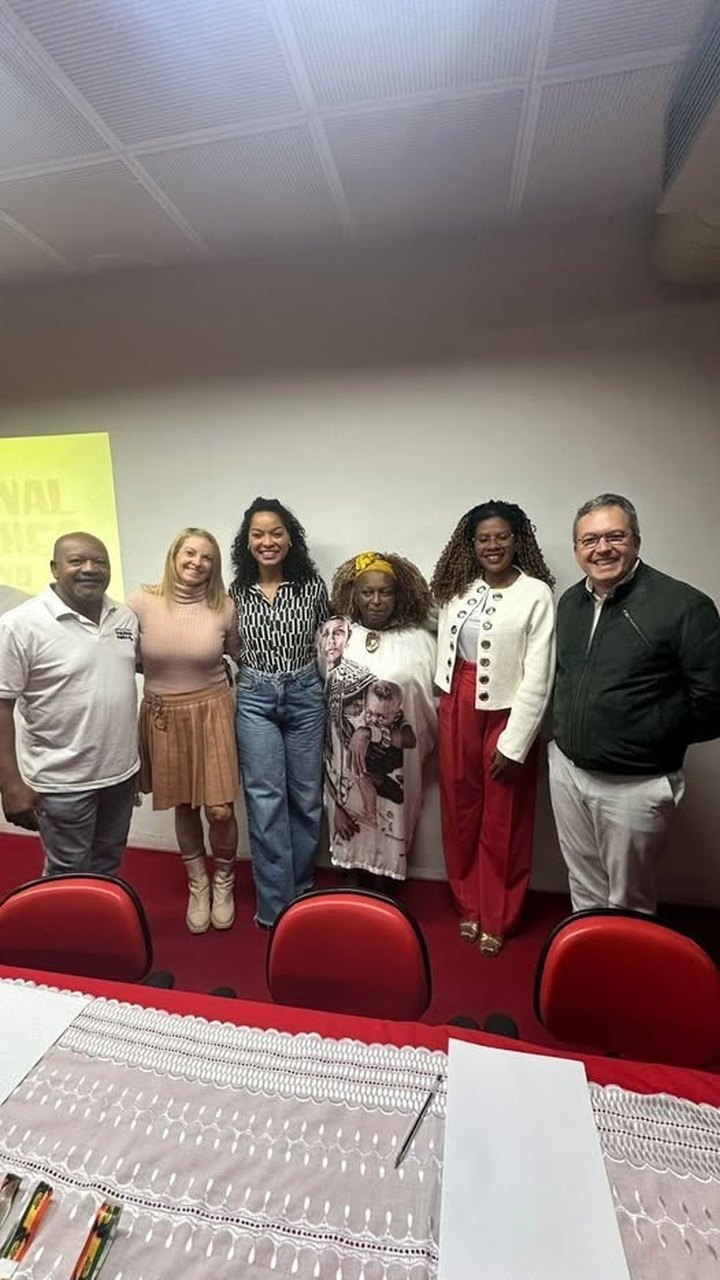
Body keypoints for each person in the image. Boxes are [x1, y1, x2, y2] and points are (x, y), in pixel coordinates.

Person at [550, 492, 720, 915]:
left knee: (629, 898)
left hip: (634, 783)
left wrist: (645, 739)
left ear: (637, 541)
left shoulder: (684, 606)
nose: (602, 548)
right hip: (568, 770)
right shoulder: (570, 602)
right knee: (583, 884)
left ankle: (628, 958)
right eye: (590, 540)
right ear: (577, 549)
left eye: (615, 536)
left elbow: (713, 702)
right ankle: (587, 953)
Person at [431, 501, 556, 955]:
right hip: (457, 703)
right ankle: (468, 903)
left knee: (505, 816)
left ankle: (498, 913)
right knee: (460, 809)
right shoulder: (457, 588)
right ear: (472, 545)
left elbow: (539, 674)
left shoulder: (535, 594)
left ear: (517, 540)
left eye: (502, 536)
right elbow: (436, 631)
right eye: (484, 538)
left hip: (508, 710)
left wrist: (516, 741)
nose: (493, 545)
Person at [0, 532, 139, 875]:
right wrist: (10, 784)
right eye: (76, 561)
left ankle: (101, 913)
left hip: (120, 777)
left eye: (99, 561)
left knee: (108, 864)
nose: (89, 568)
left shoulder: (124, 617)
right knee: (68, 873)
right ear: (54, 568)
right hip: (60, 783)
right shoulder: (19, 625)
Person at [129, 528, 240, 934]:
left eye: (206, 557)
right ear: (174, 556)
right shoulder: (141, 602)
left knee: (219, 809)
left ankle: (224, 880)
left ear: (215, 565)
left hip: (212, 712)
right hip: (164, 715)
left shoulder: (225, 607)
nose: (197, 562)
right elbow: (129, 657)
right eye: (189, 553)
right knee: (184, 804)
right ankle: (198, 884)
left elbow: (238, 655)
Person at [230, 497, 328, 928]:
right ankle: (274, 907)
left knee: (306, 799)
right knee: (266, 800)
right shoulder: (235, 592)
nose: (267, 541)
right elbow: (230, 644)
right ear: (247, 541)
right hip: (255, 698)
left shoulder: (313, 587)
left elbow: (327, 640)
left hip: (306, 694)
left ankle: (300, 891)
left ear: (290, 539)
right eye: (258, 534)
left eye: (276, 533)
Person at [318, 552, 437, 884]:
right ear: (354, 594)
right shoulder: (335, 634)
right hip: (343, 758)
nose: (375, 600)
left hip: (395, 763)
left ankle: (385, 878)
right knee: (350, 810)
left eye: (385, 592)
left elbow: (430, 703)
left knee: (388, 815)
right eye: (367, 592)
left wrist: (380, 733)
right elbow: (323, 683)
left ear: (399, 595)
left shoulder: (419, 641)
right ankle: (350, 871)